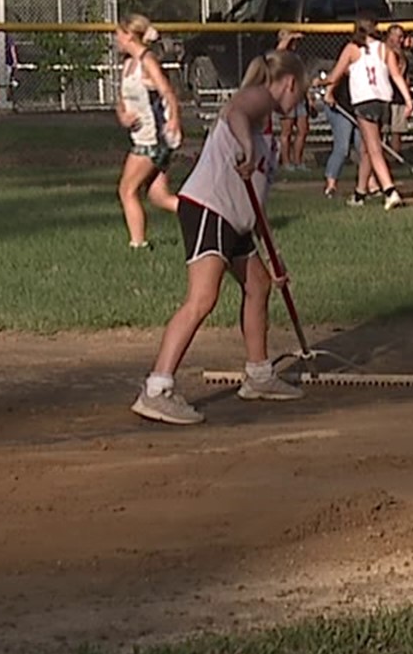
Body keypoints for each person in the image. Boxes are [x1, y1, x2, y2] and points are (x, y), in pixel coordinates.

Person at [130, 48, 310, 425]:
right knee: (202, 299)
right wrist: (245, 146)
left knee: (258, 285)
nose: (297, 102)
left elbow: (257, 200)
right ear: (289, 83)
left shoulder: (268, 131)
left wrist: (273, 256)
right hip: (210, 209)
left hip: (235, 219)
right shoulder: (259, 99)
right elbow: (237, 112)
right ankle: (156, 388)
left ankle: (259, 375)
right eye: (299, 94)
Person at [319, 14, 409, 209]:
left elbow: (335, 74)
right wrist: (408, 100)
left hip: (364, 101)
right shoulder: (384, 49)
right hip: (383, 102)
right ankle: (360, 193)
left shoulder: (352, 49)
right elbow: (396, 76)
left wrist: (320, 82)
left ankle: (389, 190)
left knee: (373, 148)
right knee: (366, 149)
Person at [114, 13, 182, 249]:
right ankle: (206, 216)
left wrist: (173, 119)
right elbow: (121, 100)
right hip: (139, 134)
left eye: (119, 34)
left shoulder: (147, 61)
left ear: (130, 35)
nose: (116, 39)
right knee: (158, 197)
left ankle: (138, 244)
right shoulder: (128, 64)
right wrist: (123, 116)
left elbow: (168, 92)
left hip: (152, 139)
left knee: (126, 190)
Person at [274, 30, 310, 171]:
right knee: (286, 132)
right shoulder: (280, 57)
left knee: (303, 129)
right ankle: (287, 162)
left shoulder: (296, 57)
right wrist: (288, 38)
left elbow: (301, 77)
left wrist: (308, 97)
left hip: (299, 97)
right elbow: (279, 52)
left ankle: (298, 161)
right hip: (286, 98)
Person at [385, 23, 411, 163]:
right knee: (383, 129)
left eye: (402, 37)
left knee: (397, 130)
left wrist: (408, 96)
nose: (401, 40)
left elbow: (405, 77)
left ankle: (394, 158)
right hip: (386, 95)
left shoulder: (402, 54)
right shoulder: (384, 52)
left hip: (399, 97)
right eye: (398, 36)